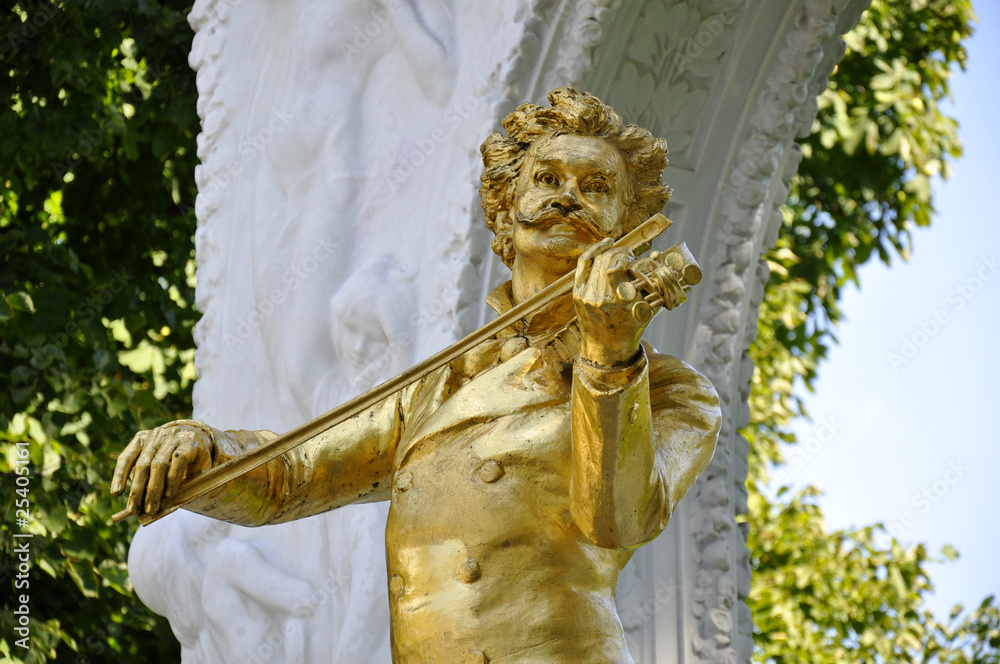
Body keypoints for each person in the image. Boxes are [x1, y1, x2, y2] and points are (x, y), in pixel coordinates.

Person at [112, 87, 721, 663]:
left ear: (624, 228)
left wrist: (609, 356)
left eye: (595, 187)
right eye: (547, 179)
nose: (567, 197)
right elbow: (292, 474)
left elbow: (618, 520)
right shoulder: (442, 383)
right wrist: (204, 448)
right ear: (506, 212)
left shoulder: (668, 391)